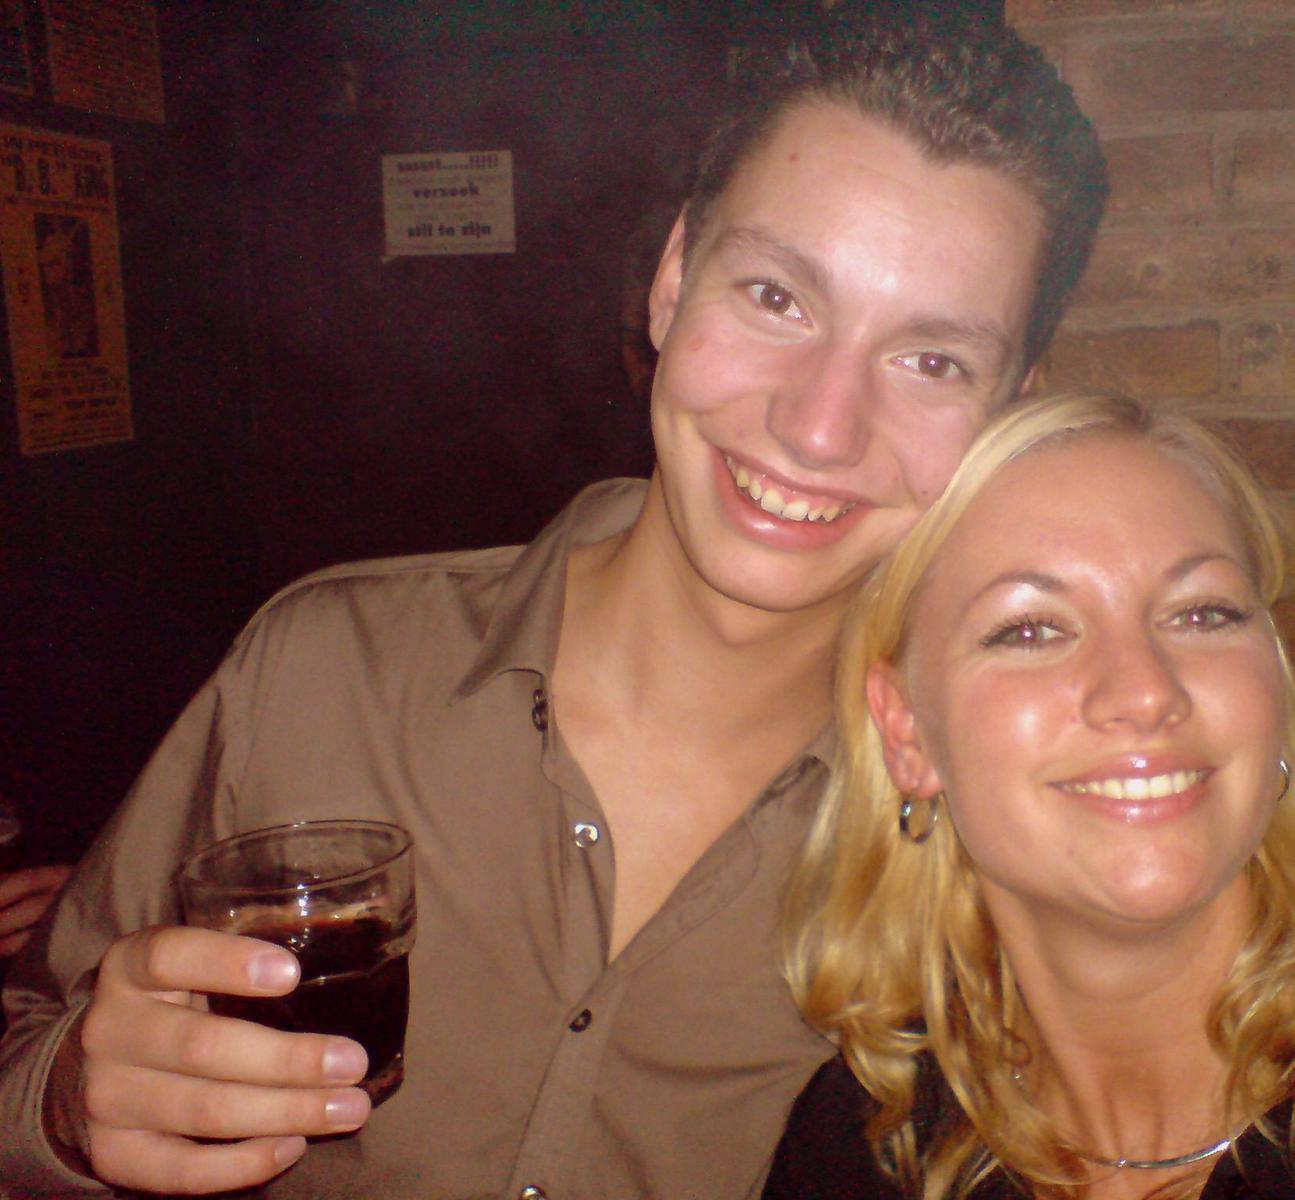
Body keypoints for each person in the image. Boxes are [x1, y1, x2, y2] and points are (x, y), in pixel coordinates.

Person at [0, 8, 1106, 1198]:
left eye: (931, 361)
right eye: (775, 297)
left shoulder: (991, 822)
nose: (819, 426)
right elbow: (35, 1028)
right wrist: (64, 1103)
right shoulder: (325, 669)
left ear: (1007, 412)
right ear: (672, 282)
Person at [765, 394, 1295, 1200]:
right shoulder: (865, 1143)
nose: (1144, 691)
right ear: (908, 730)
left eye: (1201, 614)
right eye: (1030, 629)